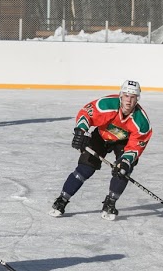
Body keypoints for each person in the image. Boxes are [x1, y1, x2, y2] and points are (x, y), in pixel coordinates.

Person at [50, 80, 152, 220]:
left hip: (123, 142)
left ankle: (110, 203)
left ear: (137, 99)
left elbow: (135, 146)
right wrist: (81, 131)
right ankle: (62, 199)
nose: (129, 100)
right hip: (101, 136)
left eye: (133, 97)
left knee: (122, 171)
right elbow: (86, 113)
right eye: (126, 96)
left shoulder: (141, 122)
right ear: (121, 95)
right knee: (85, 169)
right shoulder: (107, 105)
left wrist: (125, 161)